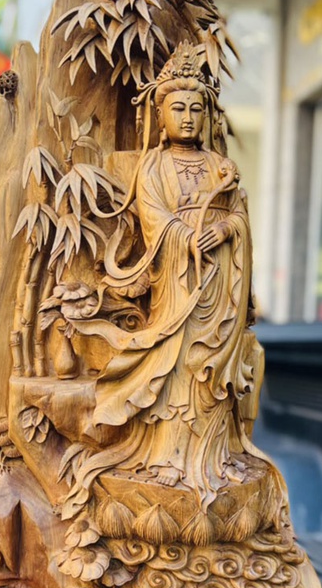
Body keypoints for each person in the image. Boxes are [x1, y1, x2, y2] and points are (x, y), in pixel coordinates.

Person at [67, 47, 264, 511]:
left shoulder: (220, 167)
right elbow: (153, 218)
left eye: (197, 109)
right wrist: (185, 236)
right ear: (161, 115)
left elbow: (239, 215)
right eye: (179, 108)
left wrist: (225, 229)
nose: (189, 118)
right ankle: (169, 458)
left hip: (218, 285)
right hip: (178, 282)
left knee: (210, 372)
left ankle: (213, 457)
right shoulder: (153, 167)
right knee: (176, 367)